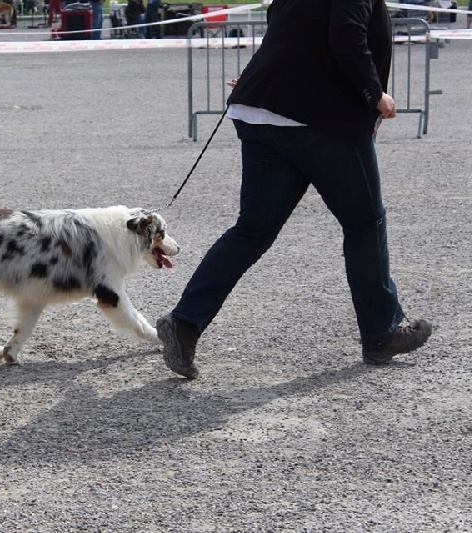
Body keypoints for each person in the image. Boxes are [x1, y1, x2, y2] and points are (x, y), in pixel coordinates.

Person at [156, 0, 432, 379]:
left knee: (252, 230)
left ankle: (184, 322)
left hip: (262, 112)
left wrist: (272, 78)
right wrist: (375, 93)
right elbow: (347, 36)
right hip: (319, 119)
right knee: (365, 223)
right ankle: (381, 331)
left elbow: (284, 27)